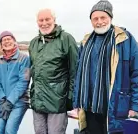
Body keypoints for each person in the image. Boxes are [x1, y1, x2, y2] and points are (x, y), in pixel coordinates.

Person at [73, 0, 138, 134]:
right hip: (89, 107)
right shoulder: (86, 41)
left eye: (103, 17)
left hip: (115, 107)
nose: (99, 21)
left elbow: (136, 74)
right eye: (95, 18)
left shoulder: (125, 39)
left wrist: (135, 105)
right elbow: (78, 75)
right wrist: (76, 103)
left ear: (110, 17)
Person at [29, 9, 78, 134]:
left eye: (47, 19)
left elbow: (75, 71)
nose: (44, 23)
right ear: (37, 22)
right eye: (41, 20)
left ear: (54, 20)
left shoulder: (66, 39)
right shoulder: (34, 42)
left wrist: (71, 98)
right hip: (38, 102)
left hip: (57, 102)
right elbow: (32, 71)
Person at [0, 31, 30, 134]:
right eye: (4, 40)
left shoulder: (24, 58)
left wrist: (10, 102)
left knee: (9, 131)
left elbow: (23, 82)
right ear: (1, 44)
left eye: (9, 39)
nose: (7, 41)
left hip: (19, 102)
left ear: (14, 41)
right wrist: (2, 99)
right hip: (3, 102)